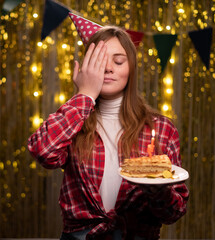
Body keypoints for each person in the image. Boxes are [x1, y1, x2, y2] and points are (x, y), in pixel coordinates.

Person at [28, 26, 189, 240]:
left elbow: (175, 212)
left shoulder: (161, 129)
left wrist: (158, 191)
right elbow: (43, 151)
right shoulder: (74, 123)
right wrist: (85, 94)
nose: (108, 68)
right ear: (87, 67)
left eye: (119, 61)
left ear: (131, 68)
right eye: (100, 61)